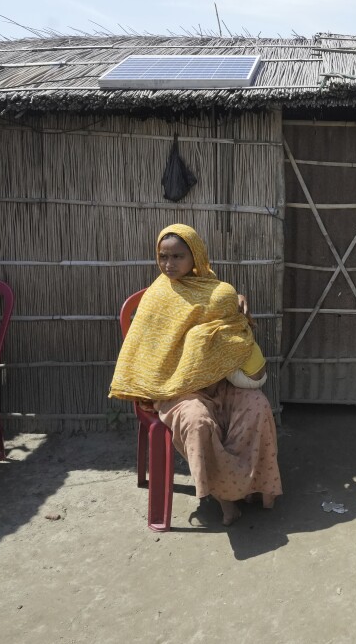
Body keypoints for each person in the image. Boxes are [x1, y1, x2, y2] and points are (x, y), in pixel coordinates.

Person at [109, 224, 281, 526]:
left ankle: (251, 485)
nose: (169, 264)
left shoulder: (214, 289)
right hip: (175, 388)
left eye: (178, 256)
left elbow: (229, 327)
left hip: (220, 381)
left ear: (196, 256)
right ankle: (225, 498)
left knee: (257, 407)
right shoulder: (157, 296)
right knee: (197, 421)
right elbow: (147, 351)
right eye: (163, 256)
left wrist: (237, 306)